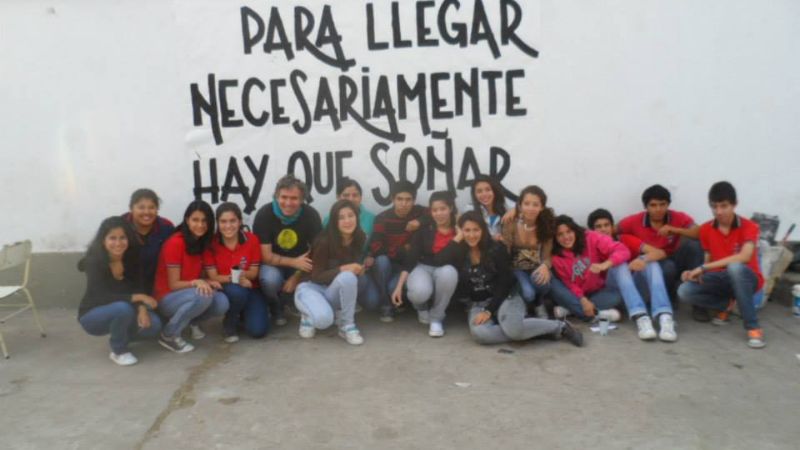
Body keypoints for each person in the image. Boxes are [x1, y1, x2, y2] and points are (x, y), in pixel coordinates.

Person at [441, 211, 582, 347]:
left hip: (506, 297)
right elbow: (438, 260)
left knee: (514, 329)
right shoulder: (459, 251)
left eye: (476, 230)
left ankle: (561, 327)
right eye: (467, 230)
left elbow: (505, 282)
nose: (471, 235)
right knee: (481, 334)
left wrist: (489, 311)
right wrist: (457, 237)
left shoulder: (496, 248)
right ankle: (532, 331)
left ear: (483, 230)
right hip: (478, 304)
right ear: (461, 231)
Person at [678, 181, 766, 348]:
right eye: (714, 206)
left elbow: (745, 256)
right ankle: (728, 305)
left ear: (734, 205)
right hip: (721, 278)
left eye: (724, 206)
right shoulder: (705, 229)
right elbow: (708, 260)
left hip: (748, 278)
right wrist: (694, 274)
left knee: (735, 268)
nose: (718, 211)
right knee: (684, 291)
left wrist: (704, 268)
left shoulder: (750, 226)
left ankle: (753, 327)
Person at [77, 217, 162, 366]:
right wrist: (138, 297)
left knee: (153, 325)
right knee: (122, 309)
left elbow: (137, 286)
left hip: (122, 307)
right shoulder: (94, 261)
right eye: (112, 238)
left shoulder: (131, 257)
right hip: (92, 315)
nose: (118, 243)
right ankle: (118, 350)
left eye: (123, 238)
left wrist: (141, 308)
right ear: (103, 240)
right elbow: (100, 296)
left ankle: (121, 333)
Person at [616, 184, 705, 320]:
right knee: (667, 266)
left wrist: (675, 230)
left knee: (695, 246)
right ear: (646, 207)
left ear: (668, 204)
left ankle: (698, 303)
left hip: (676, 257)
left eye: (662, 204)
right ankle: (670, 296)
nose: (658, 209)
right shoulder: (634, 220)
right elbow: (614, 231)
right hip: (654, 264)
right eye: (653, 205)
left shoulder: (677, 217)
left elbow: (699, 233)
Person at [587, 209, 677, 341]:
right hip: (611, 294)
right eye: (598, 226)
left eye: (606, 225)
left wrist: (642, 259)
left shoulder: (624, 239)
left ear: (612, 227)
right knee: (618, 263)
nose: (603, 229)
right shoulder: (589, 247)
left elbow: (660, 253)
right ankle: (641, 317)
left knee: (650, 262)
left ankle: (664, 316)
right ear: (591, 231)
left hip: (635, 292)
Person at [294, 200, 374, 345]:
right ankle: (307, 314)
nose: (347, 221)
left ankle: (347, 325)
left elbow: (346, 276)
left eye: (351, 216)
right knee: (324, 321)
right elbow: (316, 276)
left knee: (351, 277)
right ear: (334, 221)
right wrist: (344, 268)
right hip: (311, 287)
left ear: (357, 217)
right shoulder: (324, 241)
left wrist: (358, 269)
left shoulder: (360, 237)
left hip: (331, 289)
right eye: (341, 218)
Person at [153, 200, 229, 353]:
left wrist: (208, 281)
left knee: (222, 302)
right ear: (187, 220)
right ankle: (169, 334)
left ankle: (190, 321)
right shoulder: (176, 243)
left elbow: (203, 276)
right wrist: (197, 282)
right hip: (167, 297)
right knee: (203, 295)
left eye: (204, 221)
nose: (200, 225)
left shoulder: (203, 243)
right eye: (195, 220)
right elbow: (174, 284)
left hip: (188, 294)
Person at [550, 215, 648, 326]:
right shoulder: (556, 257)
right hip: (579, 295)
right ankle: (595, 312)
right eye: (560, 234)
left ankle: (570, 310)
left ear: (575, 230)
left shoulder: (590, 237)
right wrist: (583, 300)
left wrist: (605, 265)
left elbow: (623, 250)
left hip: (599, 291)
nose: (566, 237)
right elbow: (570, 284)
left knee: (617, 296)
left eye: (569, 231)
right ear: (555, 238)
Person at [253, 175, 323, 326]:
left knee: (317, 270)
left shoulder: (311, 215)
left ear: (302, 199)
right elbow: (265, 257)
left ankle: (291, 301)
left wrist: (296, 276)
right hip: (273, 264)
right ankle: (275, 306)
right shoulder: (264, 215)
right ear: (276, 196)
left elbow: (318, 250)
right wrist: (293, 262)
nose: (288, 203)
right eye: (284, 197)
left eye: (294, 198)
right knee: (270, 279)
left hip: (301, 265)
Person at [391, 191, 459, 337]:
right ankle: (421, 307)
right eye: (435, 210)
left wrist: (458, 236)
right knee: (418, 293)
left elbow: (445, 258)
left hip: (445, 269)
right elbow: (411, 258)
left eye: (443, 209)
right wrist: (398, 286)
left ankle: (436, 318)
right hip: (423, 267)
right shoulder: (425, 228)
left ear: (451, 208)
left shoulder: (459, 229)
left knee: (449, 272)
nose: (439, 214)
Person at [203, 202, 270, 343]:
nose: (228, 226)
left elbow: (254, 272)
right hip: (226, 288)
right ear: (217, 223)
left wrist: (243, 277)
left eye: (233, 221)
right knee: (237, 291)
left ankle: (244, 314)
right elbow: (213, 277)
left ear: (240, 221)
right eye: (223, 221)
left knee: (258, 331)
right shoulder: (211, 243)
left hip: (250, 287)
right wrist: (236, 278)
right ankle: (230, 322)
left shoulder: (251, 239)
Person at [368, 180, 428, 322]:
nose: (404, 204)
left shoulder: (419, 212)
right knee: (381, 260)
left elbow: (437, 212)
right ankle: (386, 305)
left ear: (414, 200)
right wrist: (401, 250)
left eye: (408, 200)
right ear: (392, 199)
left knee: (392, 287)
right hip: (389, 265)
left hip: (409, 266)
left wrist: (419, 222)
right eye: (399, 199)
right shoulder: (382, 218)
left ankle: (403, 303)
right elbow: (376, 247)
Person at [501, 186, 555, 318]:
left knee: (542, 282)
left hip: (535, 267)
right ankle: (528, 302)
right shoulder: (511, 222)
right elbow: (505, 250)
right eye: (526, 203)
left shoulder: (546, 225)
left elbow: (547, 256)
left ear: (541, 207)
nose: (530, 208)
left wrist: (545, 266)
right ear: (520, 205)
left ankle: (539, 301)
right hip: (517, 269)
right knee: (528, 293)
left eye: (535, 204)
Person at [121, 188, 174, 294]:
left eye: (151, 208)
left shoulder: (166, 228)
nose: (147, 212)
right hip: (125, 290)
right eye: (141, 207)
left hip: (158, 290)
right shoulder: (119, 225)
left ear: (157, 209)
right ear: (131, 208)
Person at [322, 177, 376, 245]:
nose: (351, 199)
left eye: (355, 195)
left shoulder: (372, 219)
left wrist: (369, 255)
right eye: (346, 195)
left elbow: (374, 245)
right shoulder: (328, 220)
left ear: (361, 197)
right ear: (338, 197)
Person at [470, 175, 507, 240]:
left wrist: (514, 210)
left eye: (488, 190)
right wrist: (492, 238)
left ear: (494, 191)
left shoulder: (505, 208)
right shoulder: (470, 211)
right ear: (474, 195)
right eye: (479, 191)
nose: (484, 194)